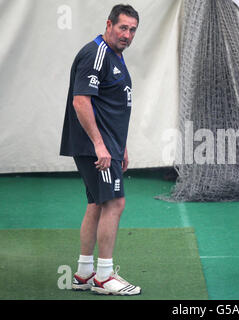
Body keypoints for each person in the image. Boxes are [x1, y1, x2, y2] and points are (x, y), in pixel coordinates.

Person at [60, 4, 140, 295]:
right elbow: (81, 101)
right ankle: (104, 277)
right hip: (96, 148)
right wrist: (99, 145)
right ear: (109, 24)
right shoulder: (96, 54)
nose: (127, 34)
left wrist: (122, 146)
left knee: (96, 203)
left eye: (132, 30)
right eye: (123, 27)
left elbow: (112, 107)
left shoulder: (114, 56)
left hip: (108, 146)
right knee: (114, 204)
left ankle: (83, 274)